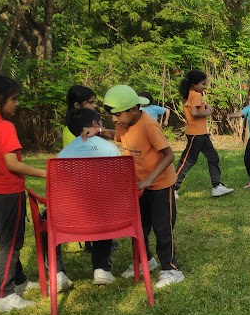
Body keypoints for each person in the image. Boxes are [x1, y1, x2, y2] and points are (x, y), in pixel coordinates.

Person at [0, 73, 47, 311]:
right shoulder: (5, 127)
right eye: (13, 99)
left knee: (7, 238)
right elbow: (13, 164)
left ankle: (19, 280)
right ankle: (2, 295)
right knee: (11, 244)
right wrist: (46, 173)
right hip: (8, 192)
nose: (16, 104)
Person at [104, 84, 184, 288]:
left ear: (133, 109)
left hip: (160, 184)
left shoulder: (149, 125)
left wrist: (150, 179)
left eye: (117, 114)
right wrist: (100, 131)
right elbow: (119, 136)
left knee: (163, 227)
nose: (114, 119)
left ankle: (171, 269)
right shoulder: (123, 124)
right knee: (141, 226)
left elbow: (169, 155)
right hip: (139, 186)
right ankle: (146, 261)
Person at [56, 107, 122, 285]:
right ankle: (101, 268)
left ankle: (57, 273)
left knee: (47, 216)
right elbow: (118, 183)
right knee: (103, 205)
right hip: (106, 217)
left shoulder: (62, 155)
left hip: (67, 219)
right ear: (95, 125)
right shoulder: (109, 149)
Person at [172, 70, 233, 199]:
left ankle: (217, 186)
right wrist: (207, 112)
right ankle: (172, 188)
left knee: (213, 157)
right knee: (187, 161)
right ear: (194, 84)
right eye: (203, 84)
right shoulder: (195, 95)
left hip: (201, 134)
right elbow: (194, 113)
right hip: (196, 134)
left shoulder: (190, 95)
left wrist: (207, 107)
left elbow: (199, 107)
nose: (205, 87)